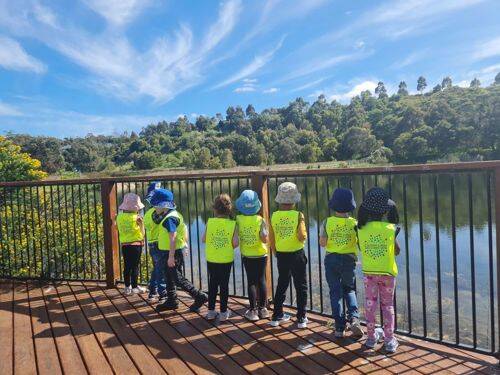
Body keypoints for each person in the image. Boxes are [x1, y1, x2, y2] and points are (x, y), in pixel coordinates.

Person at [357, 187, 401, 353]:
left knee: (370, 305)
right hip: (388, 273)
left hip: (369, 272)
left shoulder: (360, 229)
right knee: (387, 305)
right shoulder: (390, 229)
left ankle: (370, 338)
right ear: (385, 210)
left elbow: (362, 247)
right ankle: (389, 340)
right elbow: (397, 250)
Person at [152, 189, 208, 312]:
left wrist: (171, 257)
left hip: (171, 253)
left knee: (177, 278)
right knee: (168, 277)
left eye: (155, 205)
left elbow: (173, 238)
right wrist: (185, 245)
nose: (154, 208)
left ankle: (199, 296)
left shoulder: (169, 219)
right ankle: (172, 301)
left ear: (163, 205)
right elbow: (185, 228)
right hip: (171, 252)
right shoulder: (174, 214)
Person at [319, 188, 363, 338]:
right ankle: (354, 318)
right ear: (351, 206)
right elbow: (360, 245)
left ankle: (339, 327)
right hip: (349, 260)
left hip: (331, 259)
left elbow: (323, 243)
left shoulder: (327, 222)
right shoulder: (355, 223)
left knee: (335, 292)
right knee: (349, 289)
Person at [269, 182, 308, 328]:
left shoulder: (274, 216)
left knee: (282, 283)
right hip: (297, 254)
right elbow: (302, 236)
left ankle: (276, 315)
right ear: (294, 200)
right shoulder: (298, 215)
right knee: (301, 285)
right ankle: (301, 317)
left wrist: (275, 252)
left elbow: (271, 238)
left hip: (281, 255)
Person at [202, 194, 238, 321]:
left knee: (212, 284)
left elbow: (204, 239)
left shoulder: (210, 222)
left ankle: (211, 311)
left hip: (211, 258)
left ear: (214, 209)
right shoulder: (233, 224)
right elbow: (235, 243)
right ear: (229, 209)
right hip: (226, 259)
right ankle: (223, 312)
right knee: (224, 285)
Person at [235, 190, 270, 321]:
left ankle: (253, 311)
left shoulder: (238, 219)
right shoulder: (260, 220)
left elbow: (236, 238)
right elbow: (264, 238)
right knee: (261, 280)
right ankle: (263, 309)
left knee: (251, 282)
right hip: (261, 254)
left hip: (247, 255)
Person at [116, 193, 146, 295]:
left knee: (127, 266)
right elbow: (142, 234)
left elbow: (117, 228)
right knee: (135, 266)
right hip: (136, 245)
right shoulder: (137, 218)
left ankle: (127, 287)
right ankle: (134, 287)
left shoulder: (119, 217)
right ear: (136, 207)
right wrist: (141, 224)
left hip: (125, 245)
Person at [143, 182, 165, 301]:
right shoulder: (156, 213)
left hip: (152, 243)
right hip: (159, 243)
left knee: (157, 268)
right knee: (161, 270)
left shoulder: (147, 213)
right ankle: (163, 294)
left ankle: (152, 291)